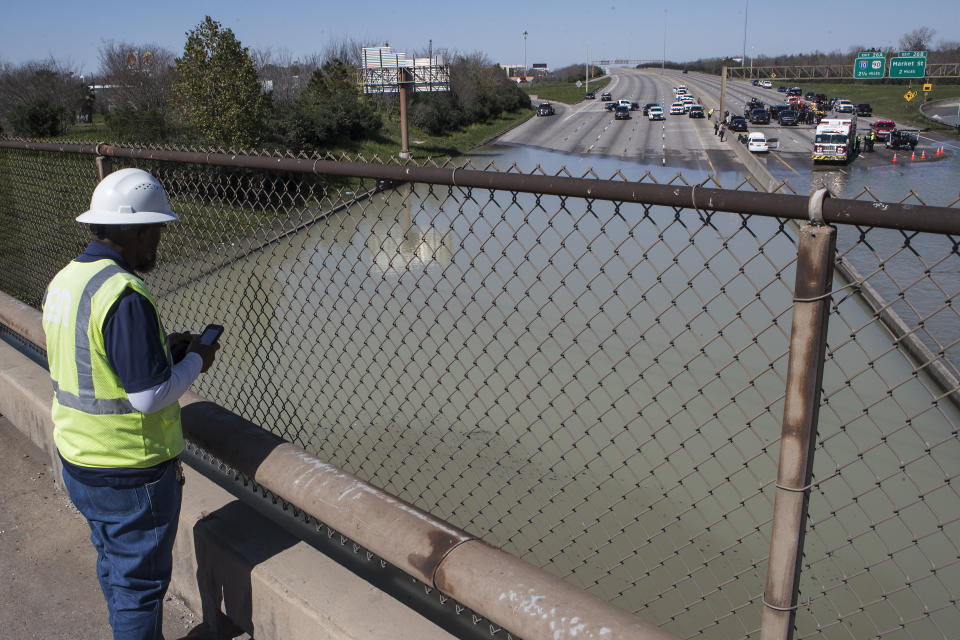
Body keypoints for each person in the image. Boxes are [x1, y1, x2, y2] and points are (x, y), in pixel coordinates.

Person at [41, 168, 218, 640]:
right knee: (140, 588)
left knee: (116, 568)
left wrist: (163, 352)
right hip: (129, 470)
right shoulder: (124, 294)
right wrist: (197, 359)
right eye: (156, 231)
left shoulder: (66, 279)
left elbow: (96, 361)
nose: (157, 243)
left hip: (80, 459)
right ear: (136, 230)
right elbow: (147, 396)